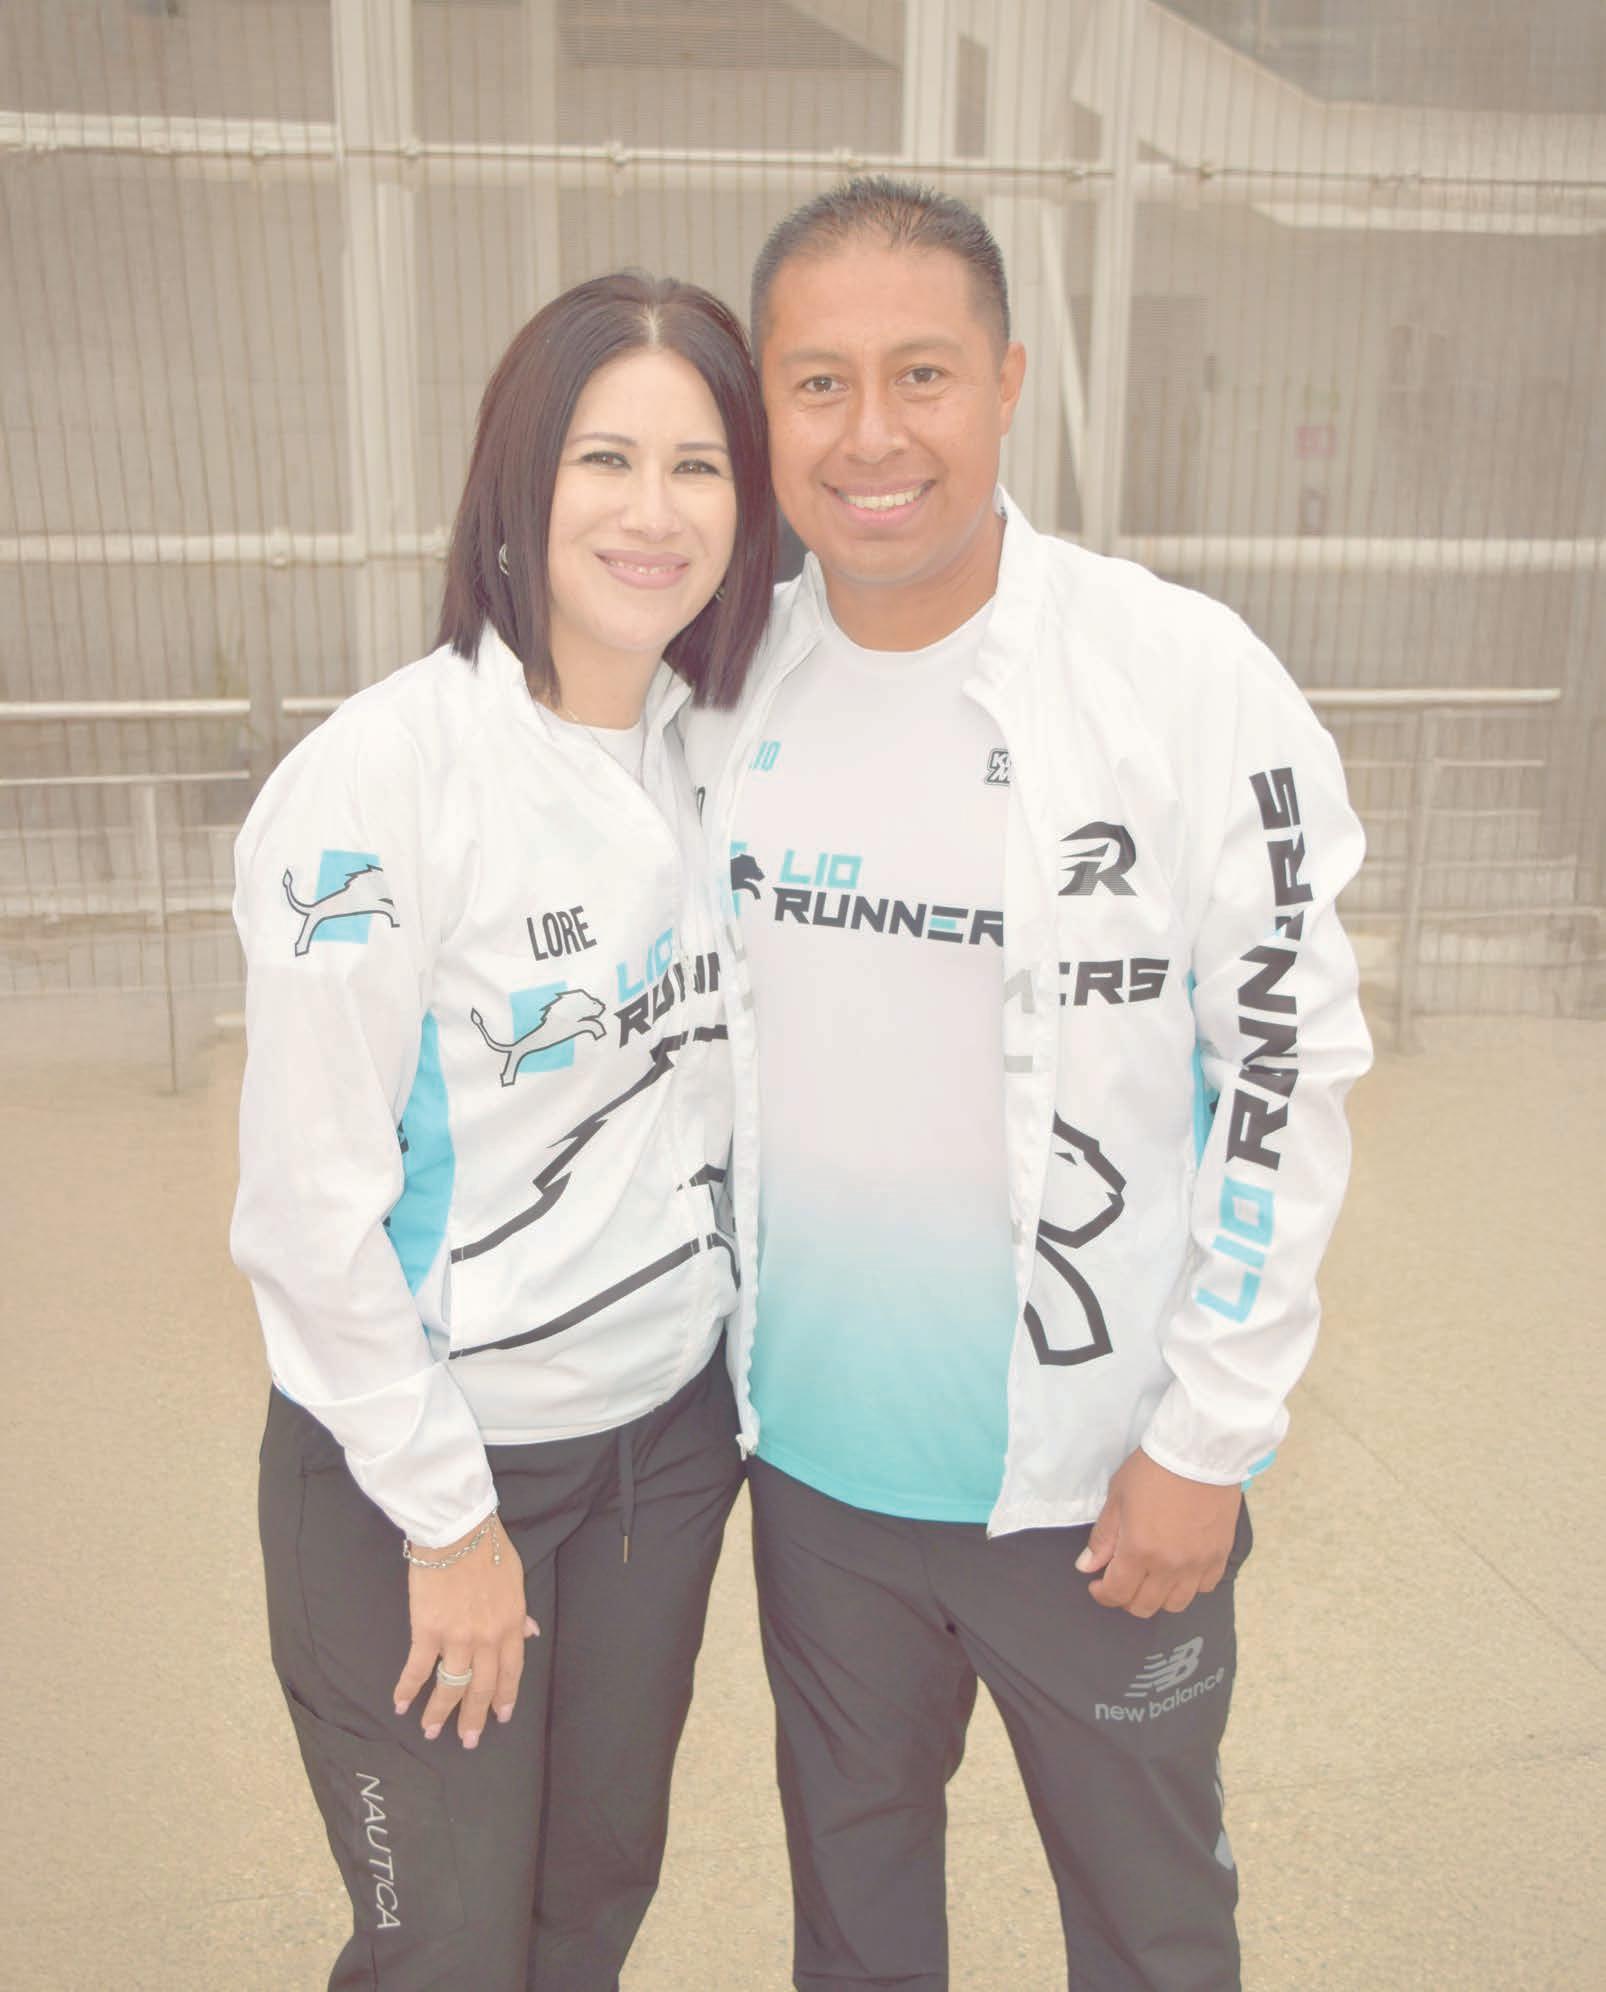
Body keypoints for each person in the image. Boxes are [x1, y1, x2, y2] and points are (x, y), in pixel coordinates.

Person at [684, 178, 1372, 1990]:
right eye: (818, 383)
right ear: (764, 411)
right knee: (855, 1932)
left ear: (1002, 381)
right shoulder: (721, 684)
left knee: (1151, 1935)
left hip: (1100, 1492)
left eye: (920, 373)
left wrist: (1205, 1439)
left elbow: (1285, 1067)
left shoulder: (1183, 677)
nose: (872, 434)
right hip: (813, 1481)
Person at [231, 271, 775, 1990]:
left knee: (589, 1910)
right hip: (428, 1471)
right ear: (516, 482)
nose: (651, 512)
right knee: (448, 1954)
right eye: (605, 459)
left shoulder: (727, 747)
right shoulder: (380, 783)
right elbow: (307, 1212)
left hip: (662, 1450)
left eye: (698, 466)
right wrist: (448, 1524)